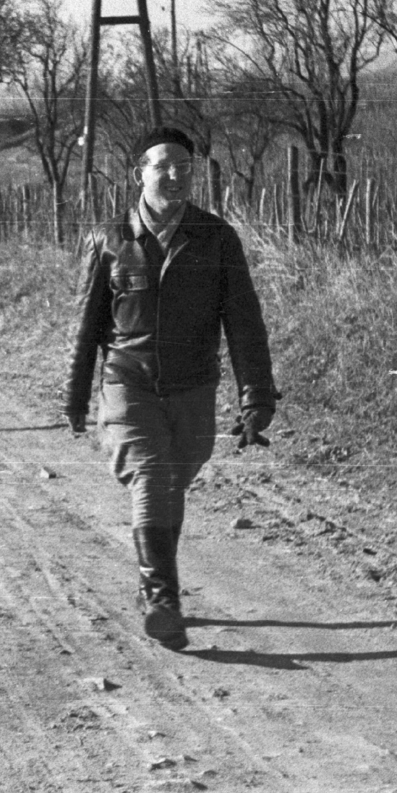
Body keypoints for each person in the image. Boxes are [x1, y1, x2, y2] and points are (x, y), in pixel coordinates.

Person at [65, 125, 278, 651]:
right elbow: (85, 325)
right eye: (162, 165)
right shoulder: (108, 238)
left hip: (192, 388)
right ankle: (164, 598)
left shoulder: (216, 237)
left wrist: (257, 397)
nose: (175, 175)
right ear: (139, 172)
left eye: (184, 165)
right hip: (127, 381)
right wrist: (74, 395)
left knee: (170, 481)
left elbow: (244, 323)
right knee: (153, 476)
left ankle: (150, 587)